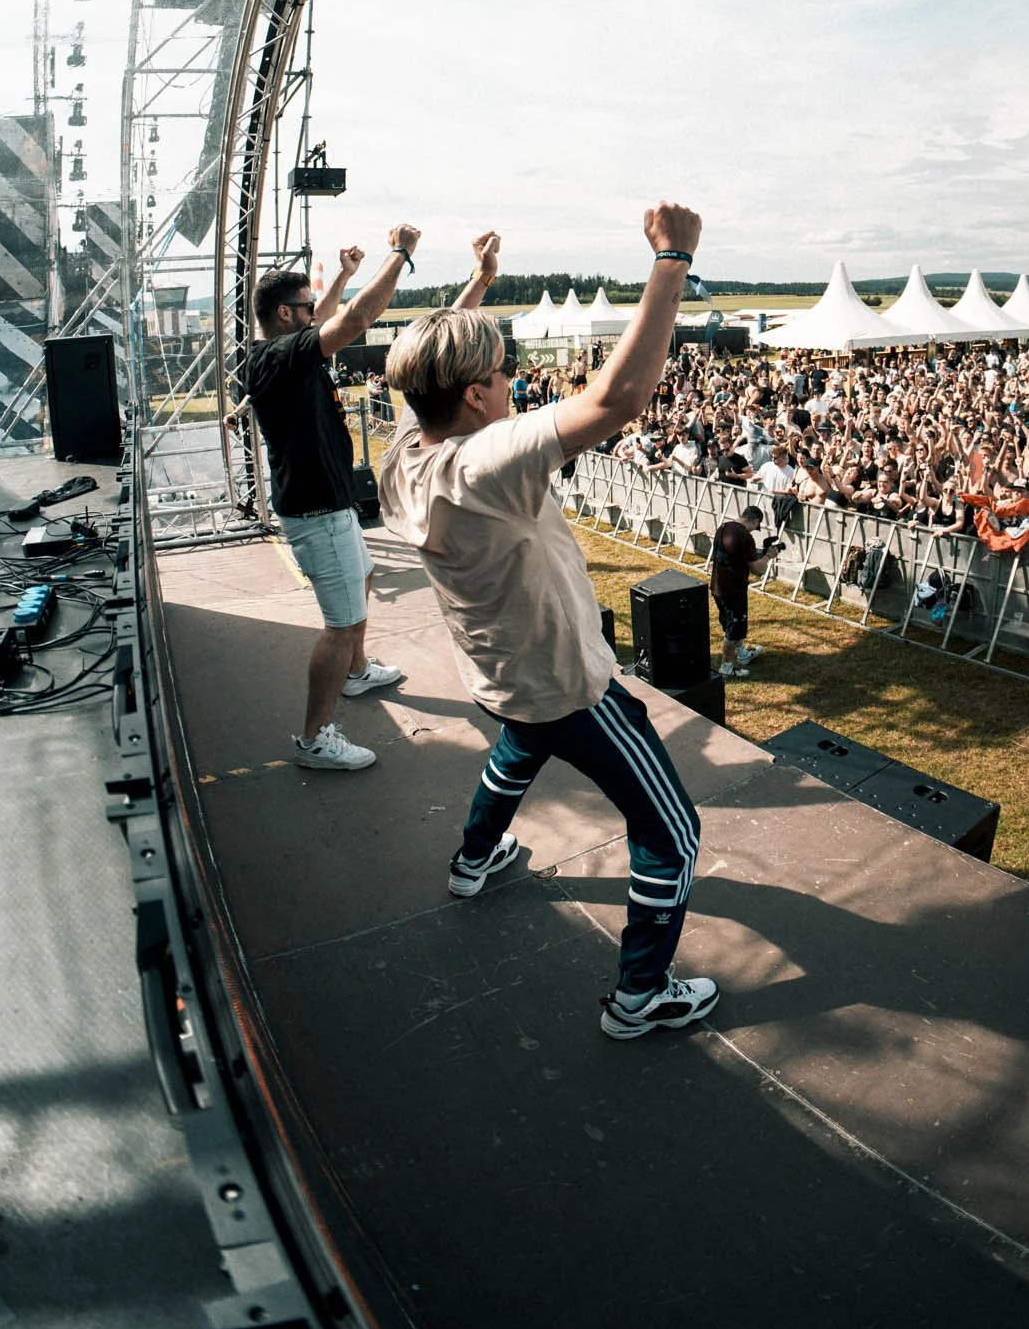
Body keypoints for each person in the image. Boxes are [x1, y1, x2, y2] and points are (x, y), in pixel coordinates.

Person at [378, 202, 718, 1044]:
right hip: (570, 685)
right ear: (475, 394)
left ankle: (473, 861)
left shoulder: (404, 451)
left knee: (517, 751)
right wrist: (672, 258)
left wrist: (480, 283)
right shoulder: (484, 463)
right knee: (673, 834)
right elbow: (618, 397)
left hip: (500, 676)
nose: (512, 382)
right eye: (503, 374)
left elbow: (427, 375)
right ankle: (641, 995)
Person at [239, 225, 495, 771]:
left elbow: (329, 314)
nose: (315, 312)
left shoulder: (283, 353)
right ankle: (315, 738)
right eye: (306, 307)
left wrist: (345, 276)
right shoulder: (278, 358)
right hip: (317, 512)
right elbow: (354, 320)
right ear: (284, 314)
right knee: (339, 626)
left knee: (366, 576)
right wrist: (399, 255)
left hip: (327, 506)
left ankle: (356, 672)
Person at [710, 503, 780, 679]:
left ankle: (742, 653)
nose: (754, 530)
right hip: (733, 590)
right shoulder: (745, 537)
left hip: (718, 586)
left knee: (731, 623)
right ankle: (726, 666)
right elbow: (757, 569)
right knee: (734, 628)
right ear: (755, 521)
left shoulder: (723, 528)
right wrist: (768, 556)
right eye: (756, 526)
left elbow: (733, 556)